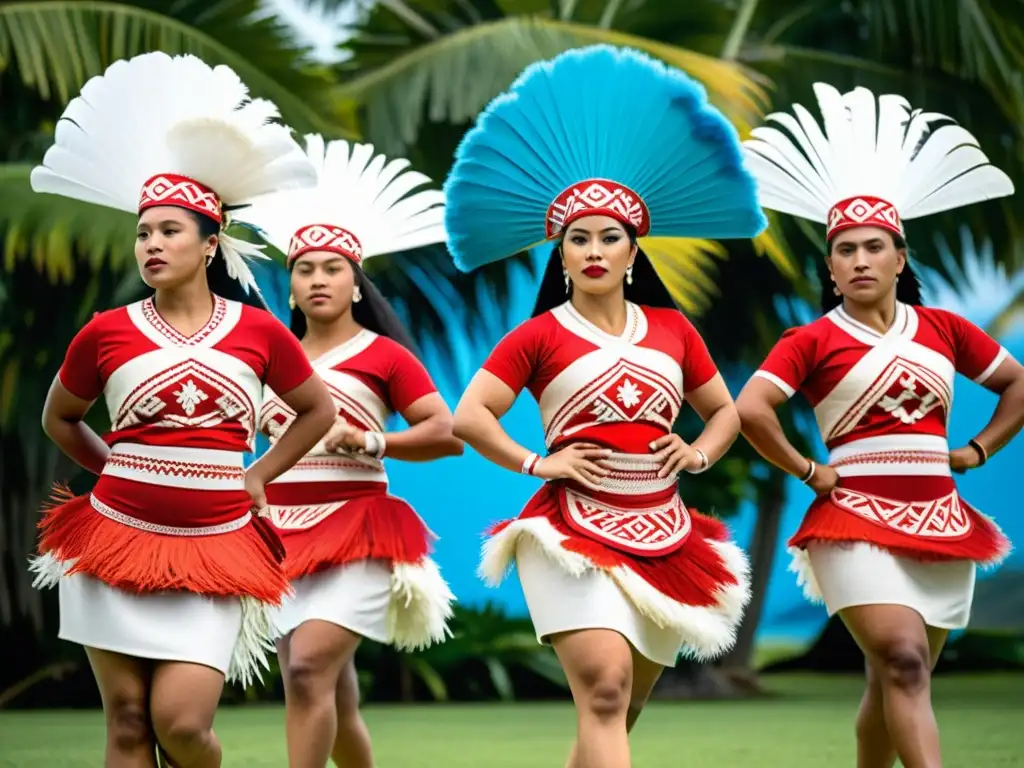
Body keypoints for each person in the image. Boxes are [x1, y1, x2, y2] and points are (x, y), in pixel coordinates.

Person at [443, 45, 766, 768]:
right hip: (568, 534)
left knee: (623, 706)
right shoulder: (536, 335)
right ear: (561, 255)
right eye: (577, 239)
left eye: (607, 238)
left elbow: (727, 411)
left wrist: (699, 450)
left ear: (631, 251)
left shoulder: (677, 331)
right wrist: (537, 460)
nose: (593, 249)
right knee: (607, 691)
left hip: (666, 532)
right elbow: (470, 417)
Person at [29, 52, 337, 768]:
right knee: (130, 725)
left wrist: (260, 476)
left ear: (210, 243)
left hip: (217, 546)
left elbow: (314, 413)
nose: (152, 244)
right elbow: (61, 418)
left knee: (183, 725)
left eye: (170, 230)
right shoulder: (104, 330)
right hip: (112, 540)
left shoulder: (259, 331)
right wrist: (115, 468)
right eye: (144, 233)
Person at [737, 82, 1024, 768]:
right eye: (845, 250)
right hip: (852, 517)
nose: (860, 259)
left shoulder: (946, 331)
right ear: (831, 270)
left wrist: (979, 450)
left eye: (874, 247)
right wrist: (808, 471)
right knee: (902, 660)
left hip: (941, 519)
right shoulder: (809, 340)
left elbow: (1016, 384)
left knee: (894, 674)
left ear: (900, 258)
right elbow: (750, 409)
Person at [235, 134, 461, 768]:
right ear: (291, 285)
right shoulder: (265, 354)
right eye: (304, 269)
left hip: (360, 527)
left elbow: (445, 435)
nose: (317, 279)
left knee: (308, 671)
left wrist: (369, 439)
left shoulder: (385, 356)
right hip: (276, 533)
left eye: (332, 268)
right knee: (329, 693)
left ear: (356, 283)